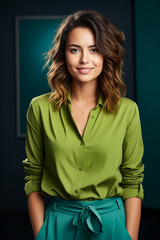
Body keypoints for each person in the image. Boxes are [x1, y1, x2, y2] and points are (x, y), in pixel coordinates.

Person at [22, 10, 144, 240]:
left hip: (112, 227)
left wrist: (131, 236)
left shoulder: (127, 111)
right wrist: (41, 235)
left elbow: (133, 181)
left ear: (107, 54)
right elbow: (33, 177)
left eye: (94, 49)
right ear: (63, 54)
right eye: (75, 49)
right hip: (57, 227)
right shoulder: (39, 108)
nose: (84, 59)